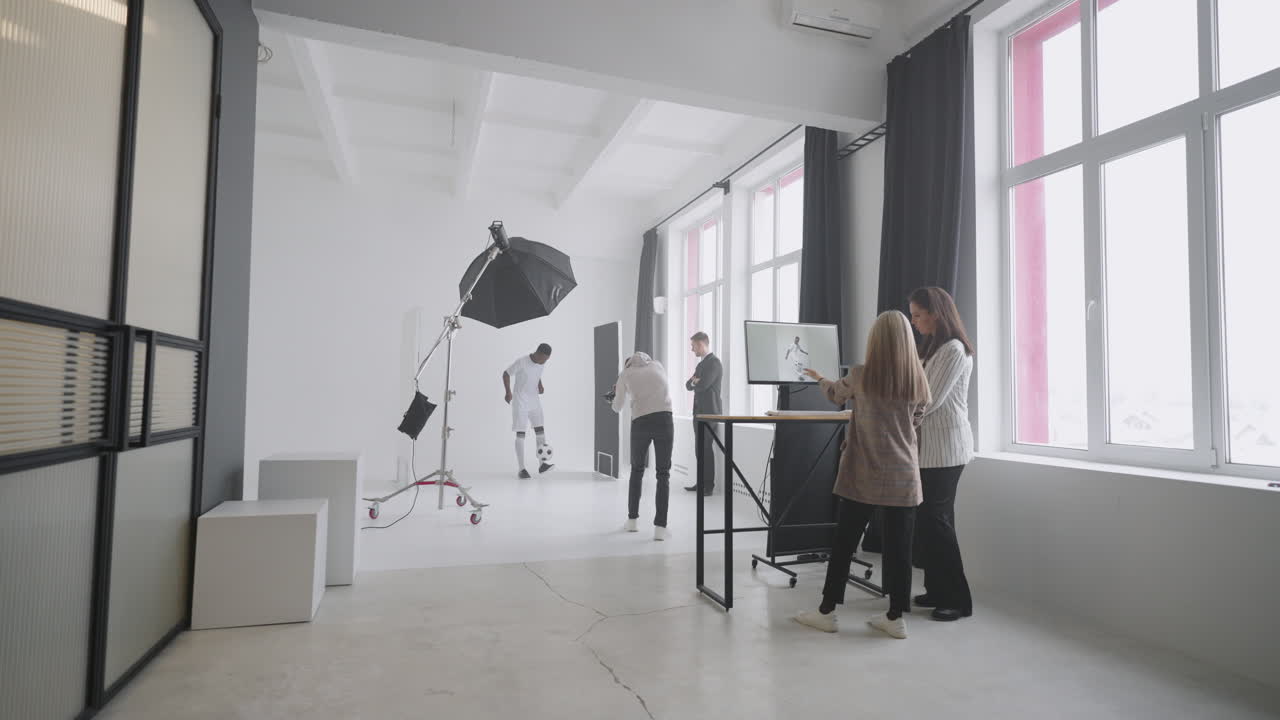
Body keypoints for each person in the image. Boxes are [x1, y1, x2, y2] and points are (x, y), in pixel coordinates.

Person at [792, 311, 931, 639]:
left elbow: (834, 395)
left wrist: (820, 378)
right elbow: (918, 418)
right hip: (904, 477)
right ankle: (895, 618)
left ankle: (827, 612)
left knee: (844, 544)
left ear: (876, 340)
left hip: (863, 473)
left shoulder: (861, 375)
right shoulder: (918, 378)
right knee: (900, 550)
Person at [908, 287, 975, 622]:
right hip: (927, 450)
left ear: (936, 313)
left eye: (919, 315)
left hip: (946, 449)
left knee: (938, 523)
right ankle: (936, 589)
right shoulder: (933, 348)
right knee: (929, 523)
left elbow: (928, 400)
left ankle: (958, 599)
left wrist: (896, 416)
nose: (914, 321)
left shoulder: (953, 349)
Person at [611, 352, 674, 541]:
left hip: (641, 422)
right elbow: (658, 388)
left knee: (636, 470)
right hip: (665, 418)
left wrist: (617, 395)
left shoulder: (625, 374)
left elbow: (617, 406)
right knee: (663, 474)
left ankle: (632, 522)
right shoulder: (657, 365)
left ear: (628, 364)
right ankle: (660, 529)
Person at [503, 343, 553, 479]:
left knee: (540, 431)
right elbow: (506, 374)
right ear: (538, 354)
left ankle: (542, 464)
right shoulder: (522, 362)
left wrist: (540, 385)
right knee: (521, 434)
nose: (545, 362)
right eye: (544, 359)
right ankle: (522, 469)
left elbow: (537, 373)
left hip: (534, 400)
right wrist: (508, 392)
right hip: (520, 401)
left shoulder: (541, 362)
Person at [684, 331, 722, 495]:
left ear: (701, 344)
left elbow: (703, 385)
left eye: (693, 346)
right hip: (698, 413)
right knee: (699, 449)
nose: (692, 350)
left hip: (710, 413)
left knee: (706, 448)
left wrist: (696, 382)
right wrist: (695, 381)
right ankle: (701, 483)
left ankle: (708, 486)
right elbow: (688, 384)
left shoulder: (714, 363)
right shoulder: (701, 365)